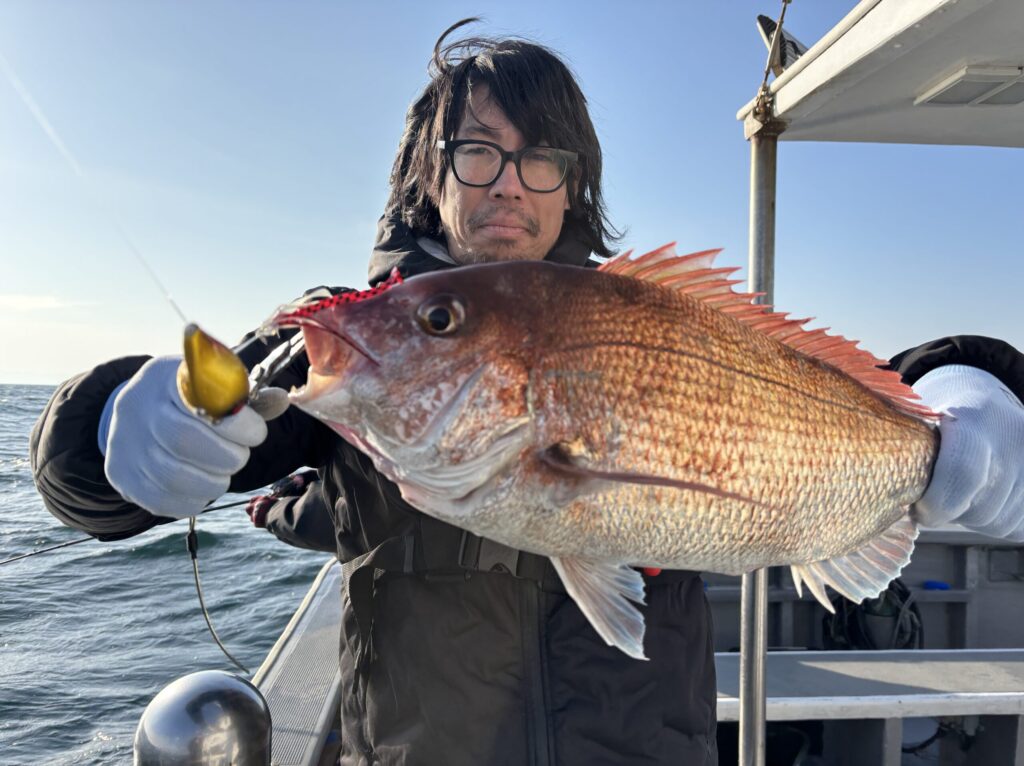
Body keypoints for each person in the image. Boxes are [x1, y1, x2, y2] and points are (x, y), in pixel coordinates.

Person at [30, 19, 1024, 766]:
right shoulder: (355, 335)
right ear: (432, 174)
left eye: (540, 157)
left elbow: (811, 384)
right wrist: (116, 422)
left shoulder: (640, 312)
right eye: (478, 151)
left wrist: (969, 379)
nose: (509, 182)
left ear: (571, 182)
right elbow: (104, 476)